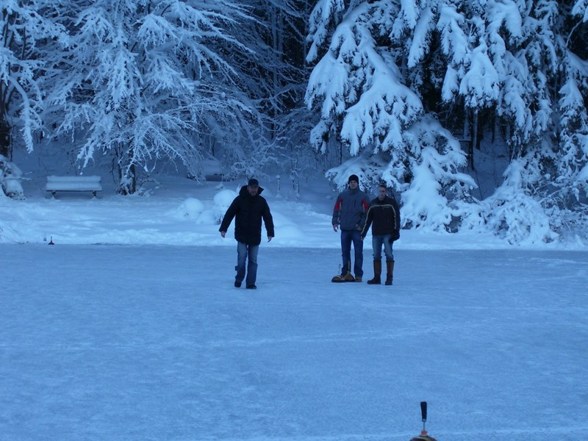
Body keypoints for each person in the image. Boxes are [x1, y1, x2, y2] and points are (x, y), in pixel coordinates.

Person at [219, 178, 274, 289]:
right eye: (252, 187)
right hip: (241, 235)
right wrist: (223, 228)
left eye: (255, 187)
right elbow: (230, 214)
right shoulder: (239, 200)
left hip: (255, 236)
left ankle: (250, 283)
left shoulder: (261, 201)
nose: (254, 189)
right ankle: (239, 278)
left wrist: (270, 232)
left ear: (258, 188)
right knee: (241, 259)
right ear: (248, 187)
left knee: (253, 261)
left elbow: (267, 217)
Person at [331, 174, 370, 282]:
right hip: (345, 229)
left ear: (357, 183)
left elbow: (368, 213)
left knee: (358, 252)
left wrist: (361, 225)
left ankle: (358, 275)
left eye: (355, 182)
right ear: (349, 183)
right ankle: (346, 273)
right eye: (351, 182)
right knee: (345, 252)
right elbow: (336, 209)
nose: (353, 184)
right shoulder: (342, 196)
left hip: (357, 230)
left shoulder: (363, 197)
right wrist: (335, 221)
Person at [361, 183, 401, 285]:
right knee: (376, 256)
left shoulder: (391, 203)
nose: (382, 193)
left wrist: (396, 232)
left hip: (388, 234)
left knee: (389, 254)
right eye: (380, 191)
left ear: (386, 192)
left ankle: (389, 278)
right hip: (376, 234)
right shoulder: (373, 203)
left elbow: (397, 217)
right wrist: (363, 233)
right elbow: (368, 220)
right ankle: (377, 277)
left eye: (383, 191)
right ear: (377, 192)